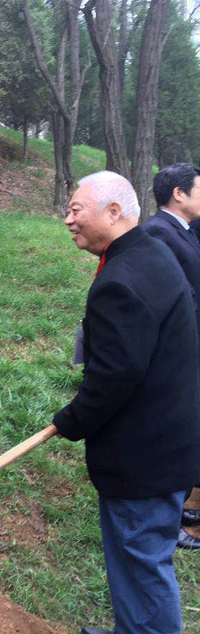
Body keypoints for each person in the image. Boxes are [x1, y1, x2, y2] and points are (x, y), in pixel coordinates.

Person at [54, 171, 200, 634]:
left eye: (76, 210)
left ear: (114, 212)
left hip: (146, 454)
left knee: (141, 559)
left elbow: (115, 376)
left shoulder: (122, 279)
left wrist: (71, 420)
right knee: (132, 554)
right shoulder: (151, 252)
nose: (68, 220)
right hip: (167, 438)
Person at [143, 163, 200, 551]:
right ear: (179, 193)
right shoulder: (157, 234)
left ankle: (178, 506)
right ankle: (167, 516)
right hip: (176, 352)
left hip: (189, 349)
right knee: (173, 431)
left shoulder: (184, 231)